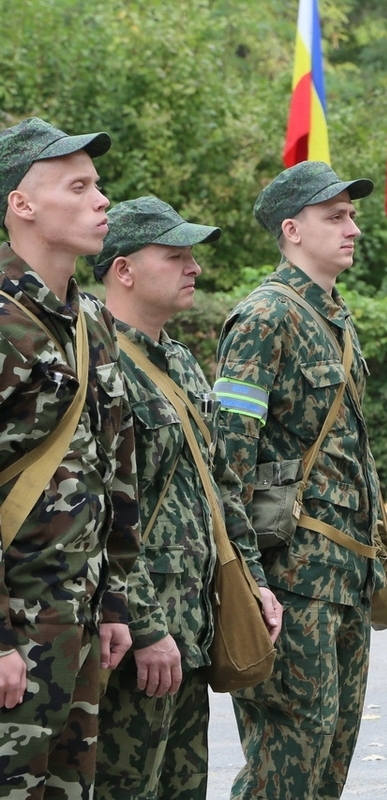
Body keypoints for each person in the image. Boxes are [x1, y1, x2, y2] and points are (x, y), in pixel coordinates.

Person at [91, 197, 283, 799]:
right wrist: (146, 627)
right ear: (123, 270)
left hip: (194, 623)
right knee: (129, 787)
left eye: (191, 255)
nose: (193, 267)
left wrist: (253, 580)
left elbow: (220, 483)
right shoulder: (98, 358)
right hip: (138, 633)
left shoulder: (177, 359)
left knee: (182, 788)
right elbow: (102, 512)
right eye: (174, 255)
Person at [212, 161, 386, 799]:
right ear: (292, 230)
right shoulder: (264, 318)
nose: (353, 228)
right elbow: (228, 463)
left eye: (352, 215)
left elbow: (348, 452)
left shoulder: (333, 316)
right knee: (287, 755)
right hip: (292, 582)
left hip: (345, 573)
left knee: (332, 751)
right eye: (334, 216)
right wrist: (251, 580)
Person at [0, 117, 137, 795]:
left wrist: (114, 602)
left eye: (99, 185)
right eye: (78, 186)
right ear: (21, 205)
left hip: (76, 626)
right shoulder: (3, 320)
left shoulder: (92, 324)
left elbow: (117, 473)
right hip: (15, 634)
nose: (101, 200)